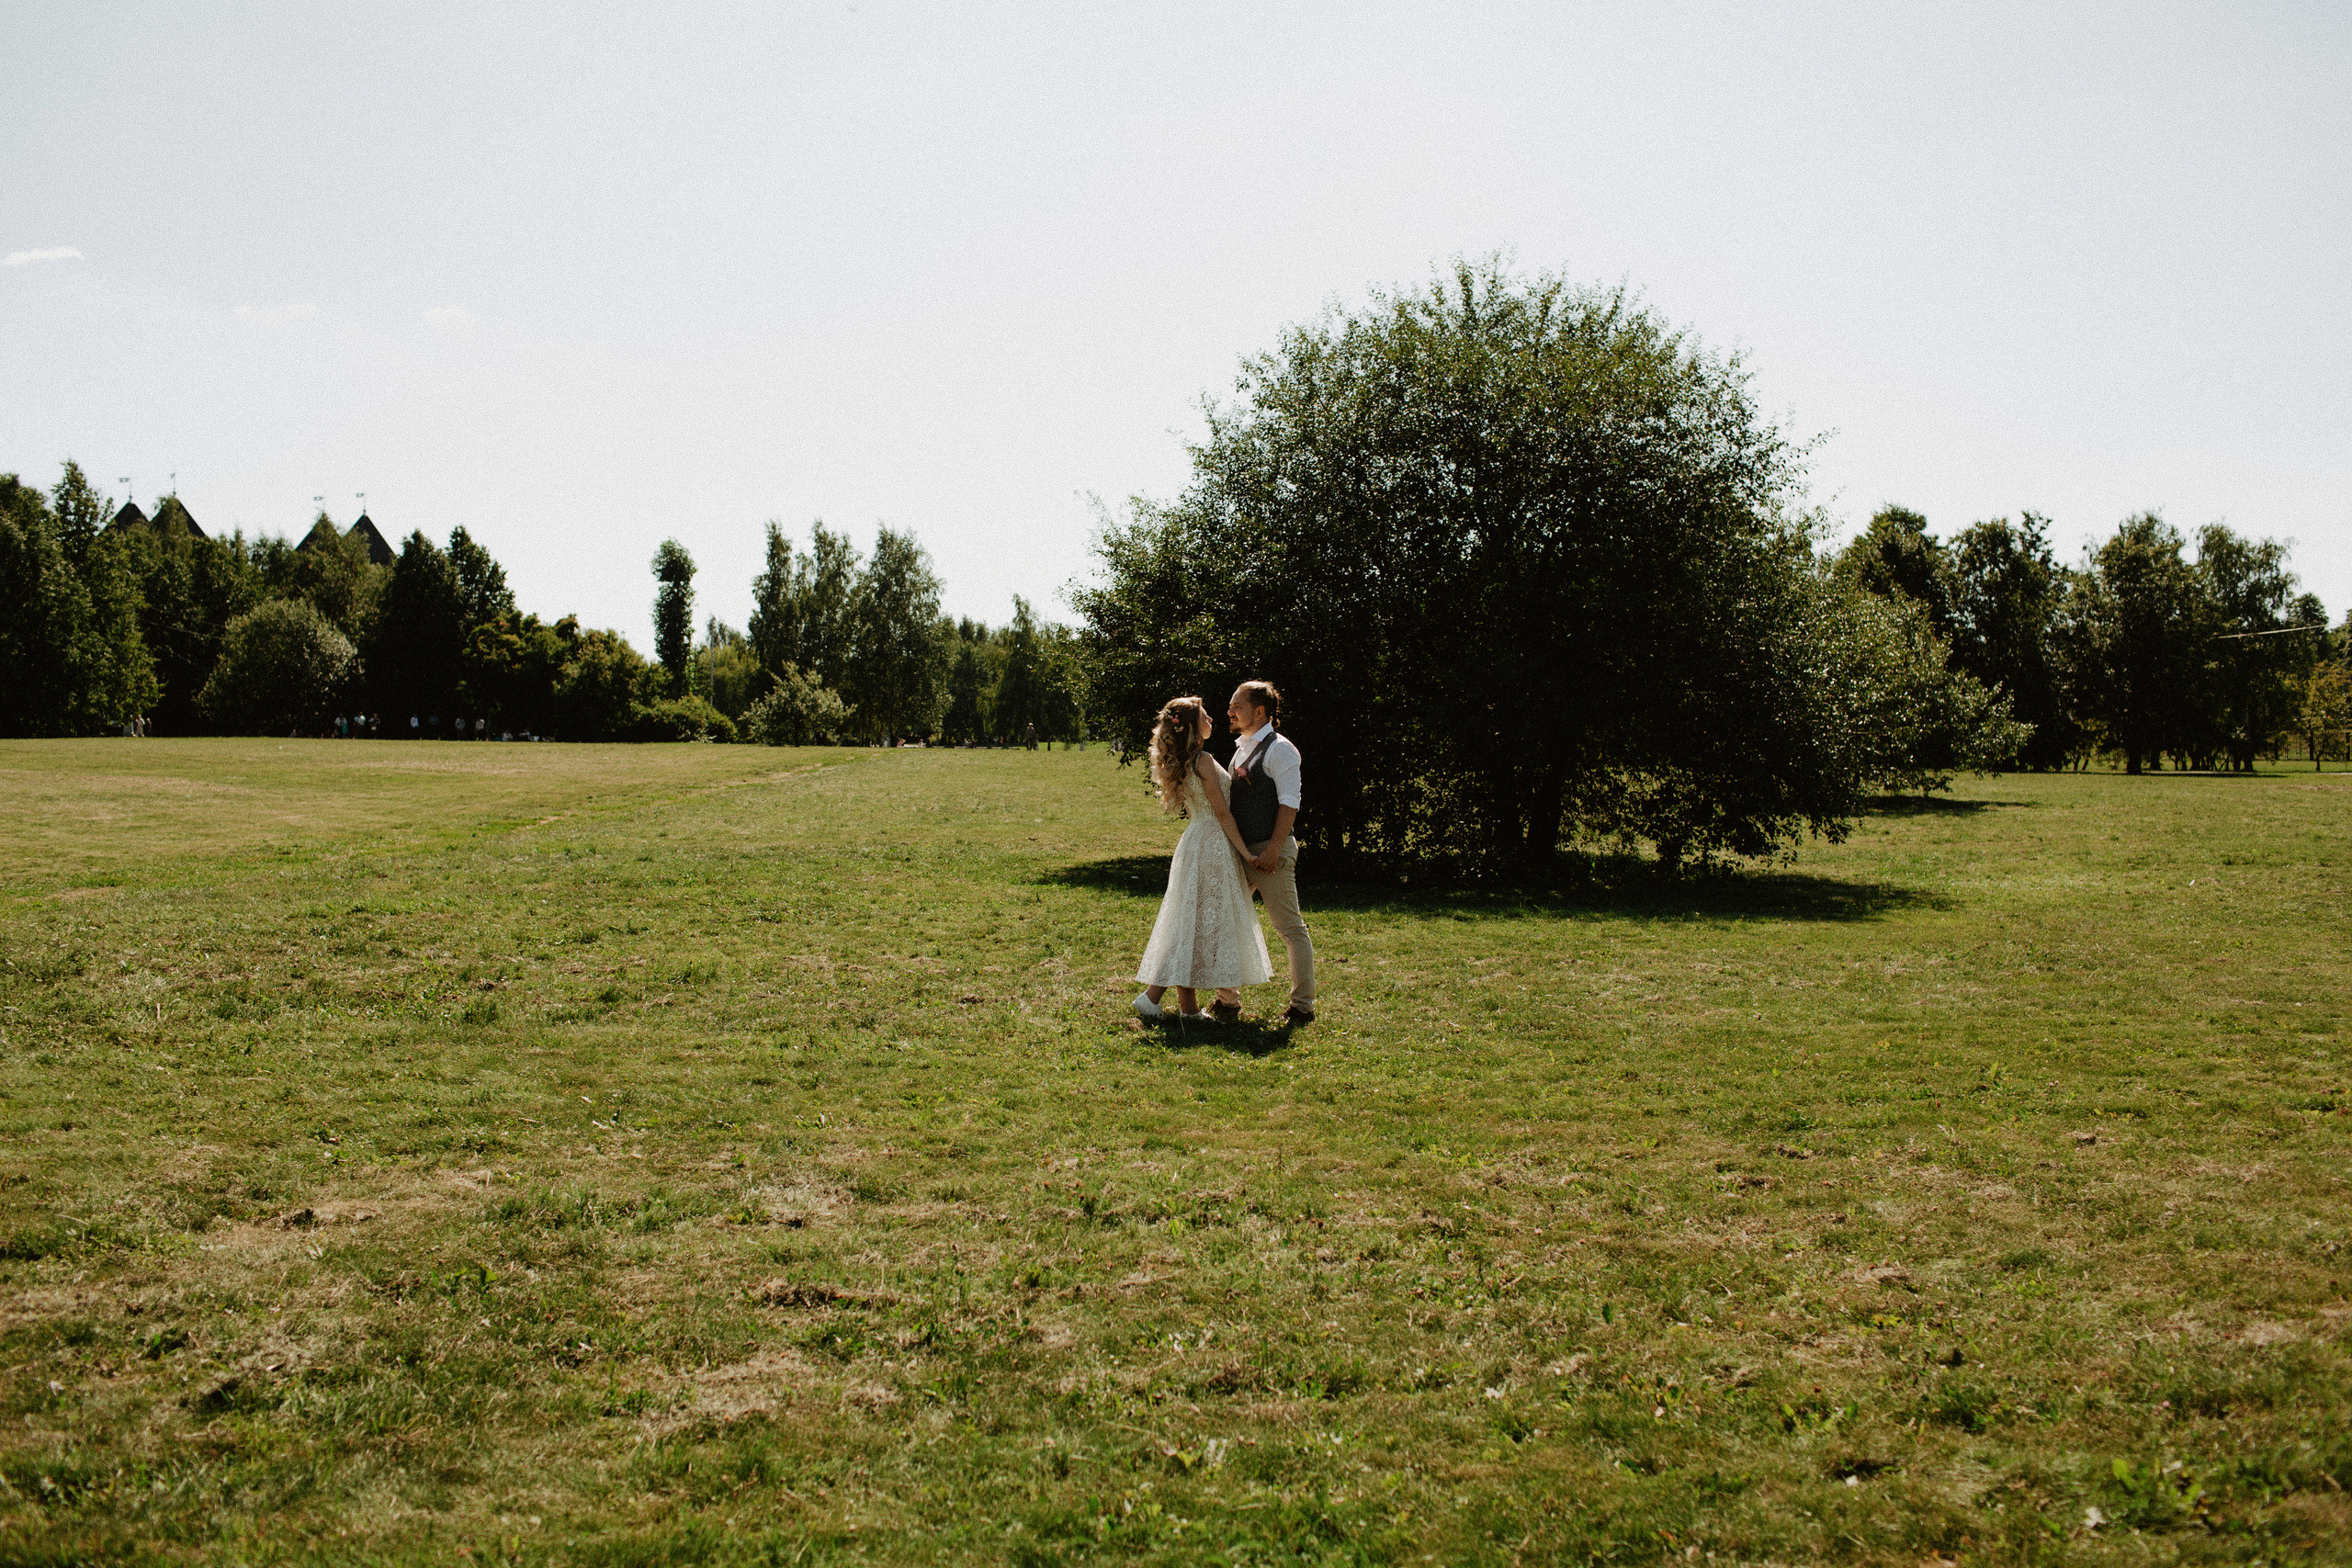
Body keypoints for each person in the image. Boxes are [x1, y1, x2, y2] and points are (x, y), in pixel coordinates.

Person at [1132, 695, 1271, 1024]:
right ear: (1192, 726)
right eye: (1205, 717)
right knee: (1195, 924)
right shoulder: (1203, 760)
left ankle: (1168, 1002)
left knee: (1190, 921)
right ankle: (1173, 1004)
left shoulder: (1185, 760)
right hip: (1211, 844)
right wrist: (1246, 853)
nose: (1211, 721)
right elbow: (1222, 814)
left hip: (1196, 840)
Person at [1213, 680, 1316, 1025]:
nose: (1229, 712)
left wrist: (1273, 849)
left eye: (1237, 706)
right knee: (1225, 921)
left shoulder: (1280, 749)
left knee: (1289, 928)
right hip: (1242, 853)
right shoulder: (1241, 748)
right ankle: (1227, 1001)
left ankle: (1302, 1006)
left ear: (1259, 712)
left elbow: (1290, 804)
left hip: (1271, 853)